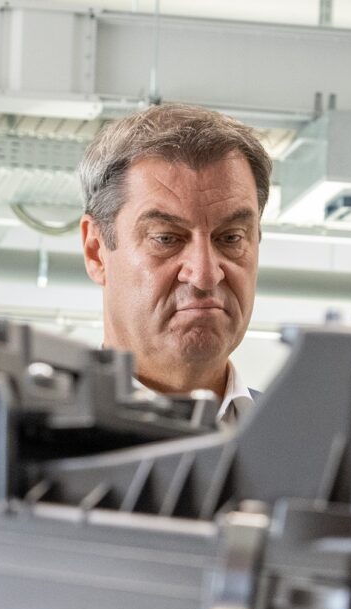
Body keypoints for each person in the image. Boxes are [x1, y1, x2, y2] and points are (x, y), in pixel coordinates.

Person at [77, 103, 272, 426]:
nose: (205, 274)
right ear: (96, 250)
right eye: (167, 239)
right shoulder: (24, 445)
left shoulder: (309, 446)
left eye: (231, 238)